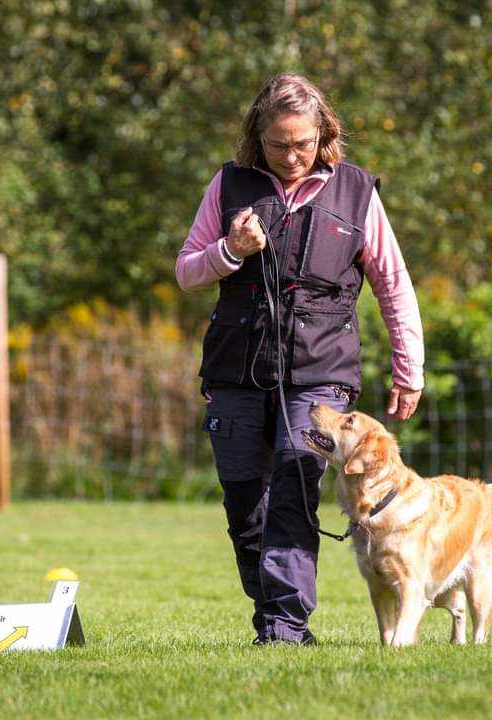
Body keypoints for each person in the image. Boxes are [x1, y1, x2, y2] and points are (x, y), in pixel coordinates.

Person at [175, 74, 424, 645]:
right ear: (256, 138)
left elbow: (392, 284)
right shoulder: (228, 185)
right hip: (236, 370)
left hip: (321, 375)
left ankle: (285, 628)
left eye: (303, 144)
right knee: (245, 507)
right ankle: (273, 617)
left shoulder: (356, 192)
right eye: (278, 145)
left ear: (324, 134)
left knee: (293, 486)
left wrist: (409, 369)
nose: (291, 157)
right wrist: (229, 251)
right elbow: (187, 271)